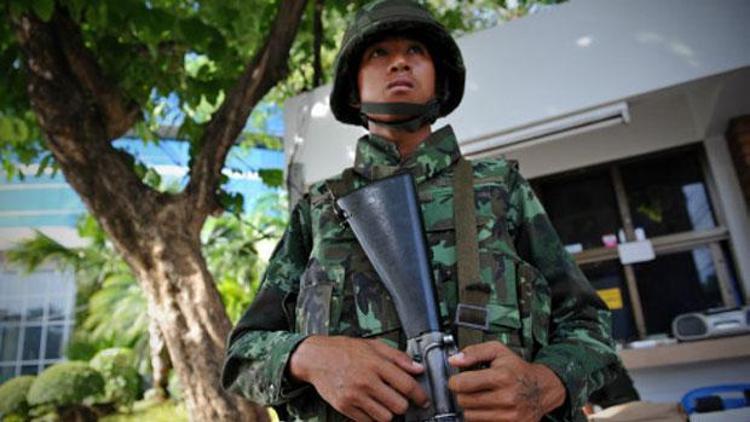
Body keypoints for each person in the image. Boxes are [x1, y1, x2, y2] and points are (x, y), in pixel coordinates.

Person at [222, 1, 619, 421]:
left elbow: (588, 324)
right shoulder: (318, 209)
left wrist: (545, 382)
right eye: (378, 53)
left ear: (439, 81)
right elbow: (242, 355)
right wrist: (310, 356)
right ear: (353, 89)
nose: (399, 64)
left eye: (416, 51)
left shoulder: (499, 187)